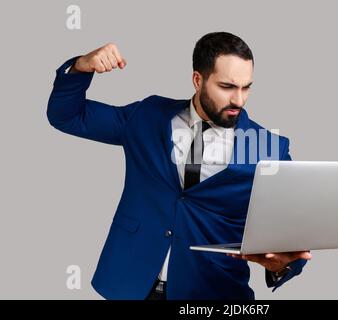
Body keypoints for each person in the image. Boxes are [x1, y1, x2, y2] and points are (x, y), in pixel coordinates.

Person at [46, 32, 312, 300]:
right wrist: (80, 66)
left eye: (246, 87)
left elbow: (294, 235)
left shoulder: (268, 149)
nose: (239, 100)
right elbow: (67, 116)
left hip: (211, 294)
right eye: (227, 87)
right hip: (130, 284)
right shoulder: (147, 115)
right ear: (198, 80)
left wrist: (283, 265)